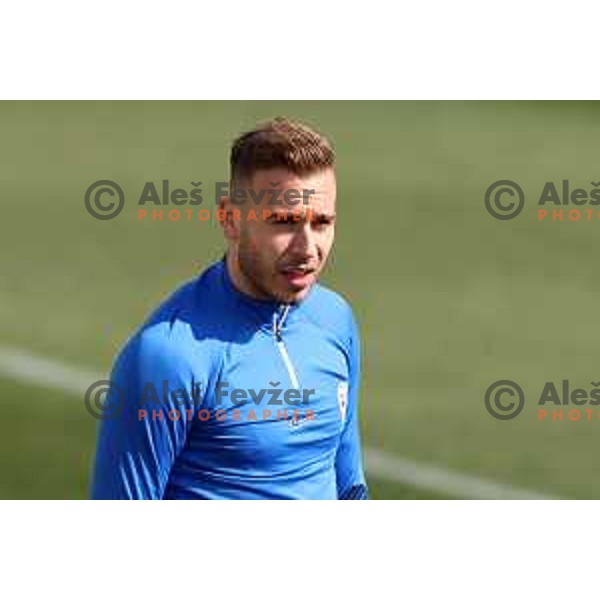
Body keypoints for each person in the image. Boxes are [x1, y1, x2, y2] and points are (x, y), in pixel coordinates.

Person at [91, 117, 368, 499]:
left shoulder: (335, 321)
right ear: (231, 219)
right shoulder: (168, 357)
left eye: (321, 222)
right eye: (284, 222)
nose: (307, 249)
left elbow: (350, 485)